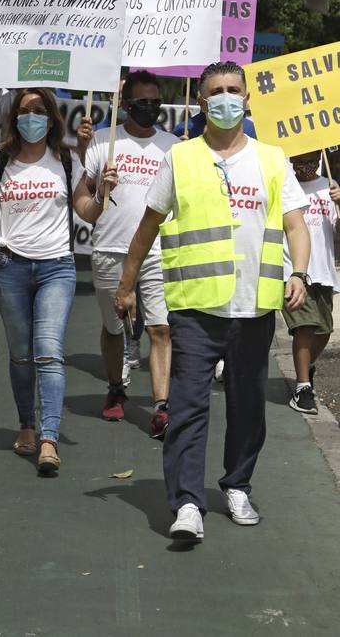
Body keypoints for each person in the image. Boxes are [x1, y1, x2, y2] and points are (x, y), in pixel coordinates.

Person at [114, 61, 310, 541]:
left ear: (247, 99)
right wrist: (126, 282)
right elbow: (147, 225)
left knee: (248, 407)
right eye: (216, 91)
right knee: (187, 406)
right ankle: (186, 503)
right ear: (202, 103)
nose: (226, 98)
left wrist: (299, 272)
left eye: (233, 90)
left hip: (255, 309)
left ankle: (237, 485)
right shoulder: (180, 159)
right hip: (196, 310)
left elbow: (297, 224)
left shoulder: (272, 158)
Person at [0, 88, 118, 474]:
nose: (32, 116)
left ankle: (49, 438)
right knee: (21, 354)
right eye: (25, 110)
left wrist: (102, 193)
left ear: (51, 117)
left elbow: (87, 211)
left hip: (56, 268)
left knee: (48, 350)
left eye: (39, 110)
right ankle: (26, 425)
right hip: (9, 266)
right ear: (14, 117)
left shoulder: (64, 161)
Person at [78, 71, 179, 434]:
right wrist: (99, 194)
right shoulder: (102, 143)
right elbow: (82, 201)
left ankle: (161, 406)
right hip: (109, 249)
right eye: (142, 102)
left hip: (157, 252)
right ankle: (117, 389)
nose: (149, 108)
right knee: (114, 327)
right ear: (126, 104)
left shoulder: (174, 146)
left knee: (160, 328)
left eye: (155, 102)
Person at [282, 151, 340, 414]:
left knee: (324, 330)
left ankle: (307, 365)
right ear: (292, 161)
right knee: (304, 327)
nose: (306, 167)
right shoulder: (284, 185)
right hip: (294, 270)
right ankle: (303, 387)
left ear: (319, 159)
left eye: (311, 161)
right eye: (300, 161)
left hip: (324, 271)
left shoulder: (330, 187)